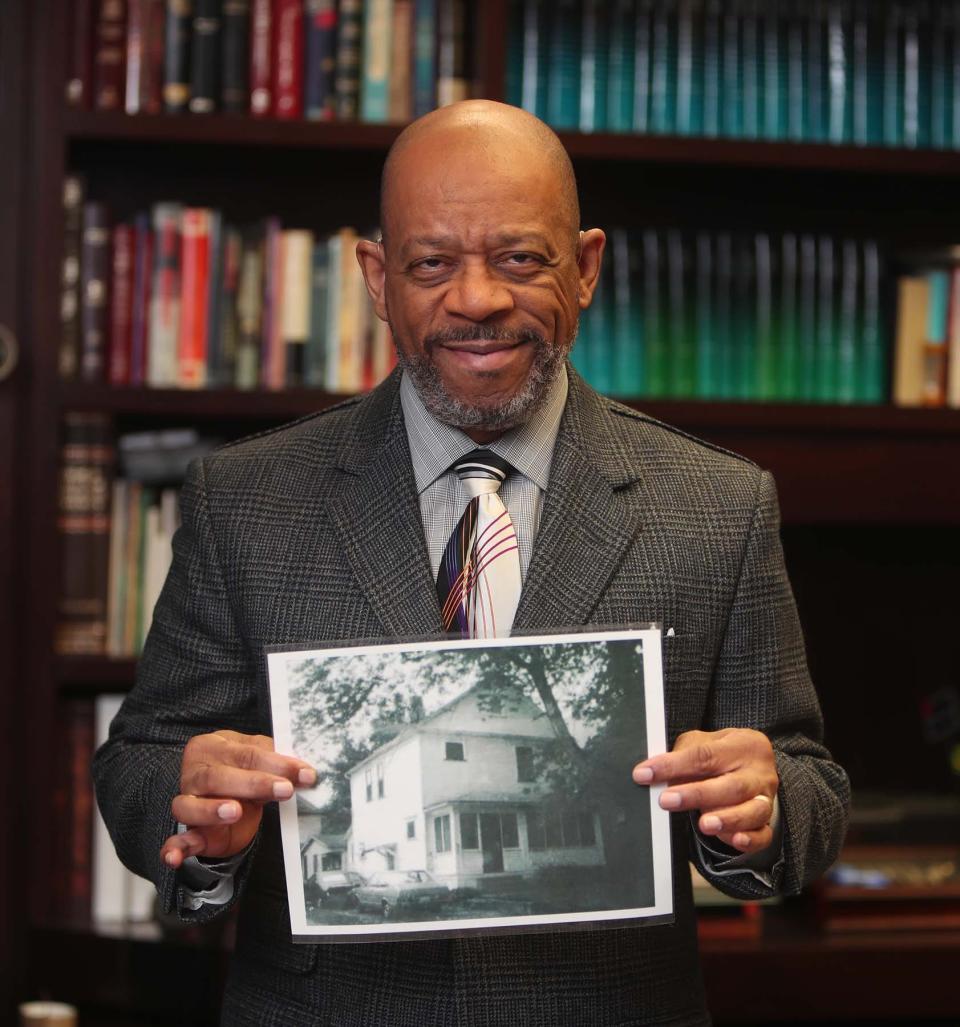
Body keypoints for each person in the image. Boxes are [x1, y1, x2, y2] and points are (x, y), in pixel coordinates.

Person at [93, 101, 849, 1026]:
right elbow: (138, 763)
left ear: (586, 269)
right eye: (432, 262)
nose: (478, 299)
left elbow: (808, 779)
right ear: (378, 277)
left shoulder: (720, 506)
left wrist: (762, 803)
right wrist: (195, 807)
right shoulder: (243, 500)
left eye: (521, 258)